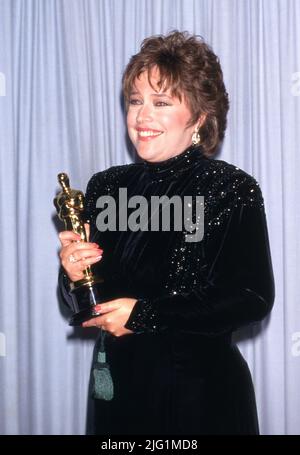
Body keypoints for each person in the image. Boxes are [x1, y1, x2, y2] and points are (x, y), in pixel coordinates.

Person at [58, 31, 275, 435]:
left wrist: (144, 315)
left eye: (161, 103)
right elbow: (82, 305)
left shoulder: (228, 188)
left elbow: (250, 297)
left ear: (199, 116)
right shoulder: (107, 187)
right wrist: (73, 274)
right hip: (119, 398)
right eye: (135, 101)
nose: (142, 117)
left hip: (200, 400)